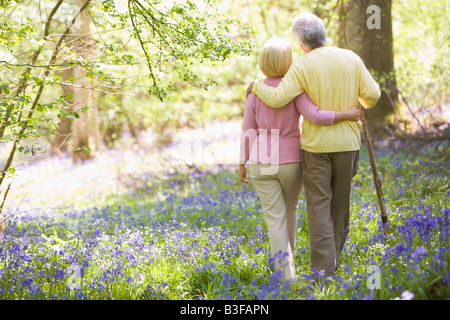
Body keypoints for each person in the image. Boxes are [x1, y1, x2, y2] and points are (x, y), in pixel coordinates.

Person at [248, 13, 381, 278]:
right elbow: (373, 96)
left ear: (300, 43)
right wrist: (355, 105)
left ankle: (323, 271)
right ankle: (333, 262)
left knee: (318, 206)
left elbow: (276, 99)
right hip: (347, 144)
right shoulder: (351, 58)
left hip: (315, 148)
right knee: (341, 204)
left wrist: (254, 86)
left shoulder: (301, 66)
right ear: (324, 35)